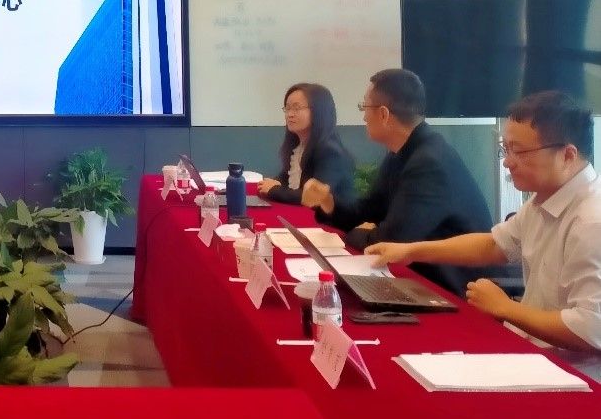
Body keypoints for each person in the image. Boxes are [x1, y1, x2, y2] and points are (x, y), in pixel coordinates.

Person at [368, 91, 600, 369]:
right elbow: (494, 245)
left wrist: (506, 308)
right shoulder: (543, 199)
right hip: (529, 350)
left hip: (574, 373)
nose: (507, 162)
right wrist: (412, 251)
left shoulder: (591, 221)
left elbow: (590, 328)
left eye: (519, 151)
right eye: (506, 149)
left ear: (567, 155)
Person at [300, 68, 493, 294]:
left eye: (364, 107)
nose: (363, 117)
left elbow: (391, 242)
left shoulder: (428, 162)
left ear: (383, 114)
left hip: (452, 288)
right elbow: (368, 210)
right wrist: (329, 202)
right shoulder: (402, 151)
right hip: (417, 275)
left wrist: (361, 232)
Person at [257, 82, 355, 208]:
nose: (290, 114)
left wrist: (274, 189)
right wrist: (270, 185)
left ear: (319, 111)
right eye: (287, 108)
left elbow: (315, 198)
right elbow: (283, 180)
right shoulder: (299, 147)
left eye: (296, 108)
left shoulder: (330, 152)